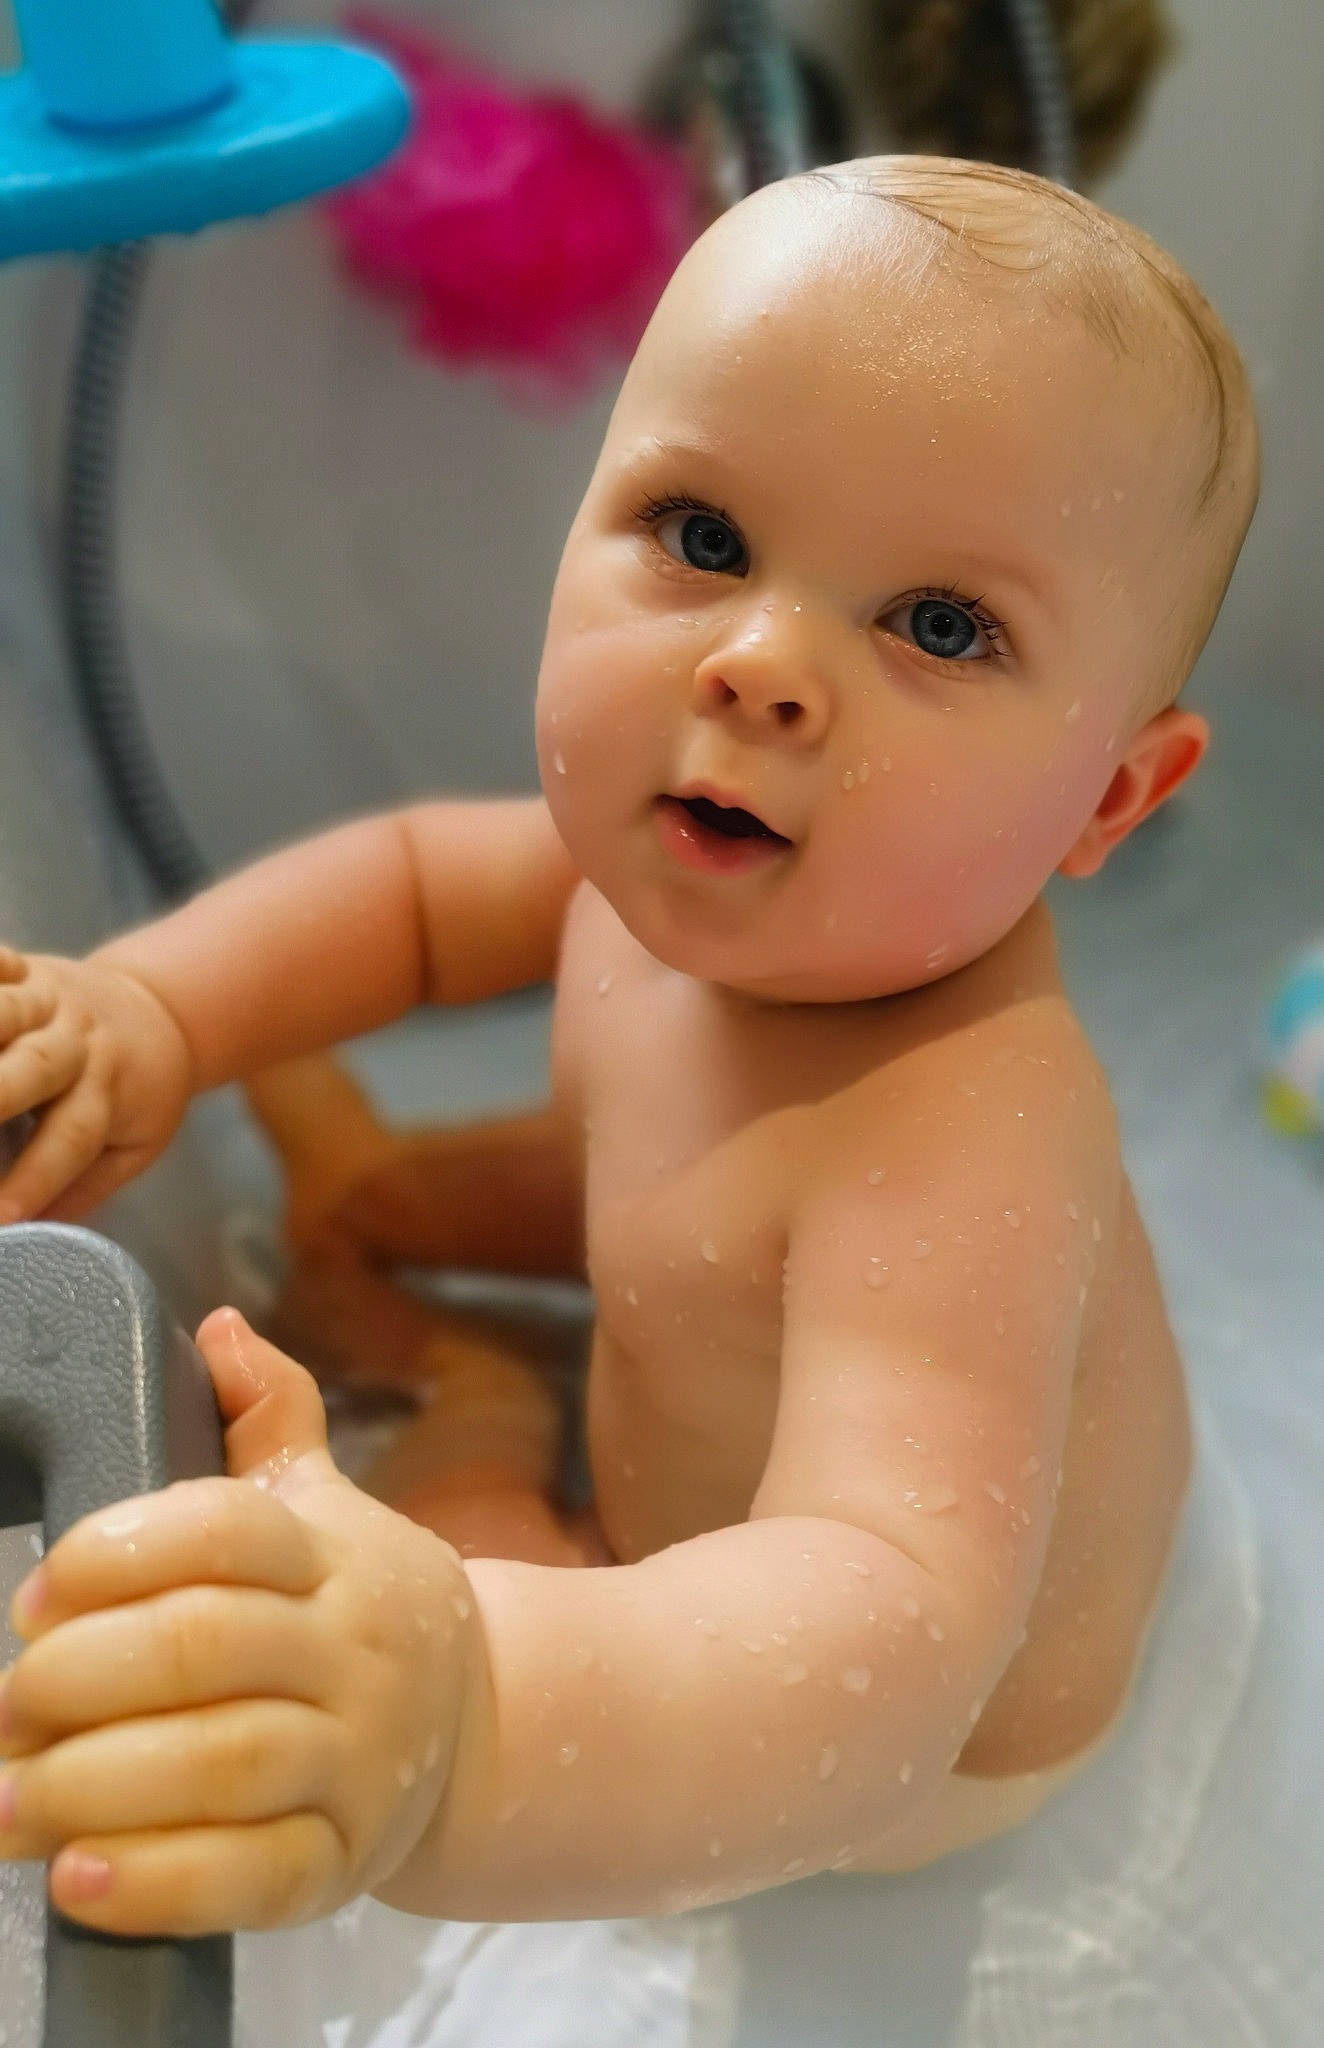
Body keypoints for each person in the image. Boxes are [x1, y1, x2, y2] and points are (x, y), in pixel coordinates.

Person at [0, 154, 1258, 1937]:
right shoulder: (683, 867)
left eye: (942, 625)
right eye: (707, 538)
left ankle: (476, 1418)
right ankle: (389, 1228)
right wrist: (161, 1010)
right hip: (704, 1311)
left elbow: (884, 1621)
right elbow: (421, 895)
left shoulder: (961, 1136)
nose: (762, 662)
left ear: (1112, 795)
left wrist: (470, 1710)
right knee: (476, 1201)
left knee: (448, 1572)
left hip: (905, 1745)